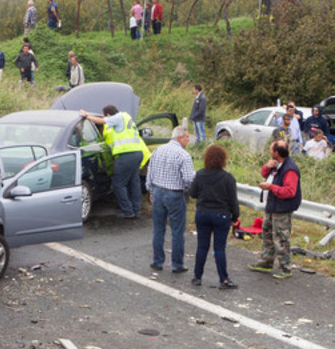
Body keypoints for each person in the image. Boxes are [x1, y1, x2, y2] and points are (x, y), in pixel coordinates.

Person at [83, 105, 151, 219]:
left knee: (118, 184)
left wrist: (86, 116)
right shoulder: (126, 117)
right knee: (134, 183)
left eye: (106, 117)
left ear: (109, 115)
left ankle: (128, 211)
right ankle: (136, 210)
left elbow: (101, 120)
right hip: (137, 154)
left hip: (126, 155)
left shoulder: (119, 117)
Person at [189, 144, 239, 289]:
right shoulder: (228, 178)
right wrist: (235, 217)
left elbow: (192, 193)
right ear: (223, 159)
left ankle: (197, 276)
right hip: (221, 215)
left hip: (202, 213)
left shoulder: (200, 174)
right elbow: (233, 201)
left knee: (202, 246)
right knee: (219, 248)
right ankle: (223, 279)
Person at [146, 127, 195, 273]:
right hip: (174, 193)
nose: (188, 139)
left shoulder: (158, 150)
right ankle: (177, 264)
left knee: (158, 229)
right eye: (187, 137)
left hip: (158, 192)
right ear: (180, 138)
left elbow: (150, 172)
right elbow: (188, 179)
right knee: (177, 231)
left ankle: (157, 261)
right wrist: (189, 191)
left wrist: (150, 190)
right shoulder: (183, 155)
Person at [251, 141, 301, 279]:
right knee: (267, 234)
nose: (269, 150)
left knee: (281, 238)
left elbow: (290, 191)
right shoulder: (275, 164)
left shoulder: (290, 169)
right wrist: (267, 166)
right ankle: (265, 262)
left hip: (282, 208)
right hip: (272, 205)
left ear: (277, 152)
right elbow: (264, 174)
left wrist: (270, 188)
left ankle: (286, 268)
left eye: (271, 148)